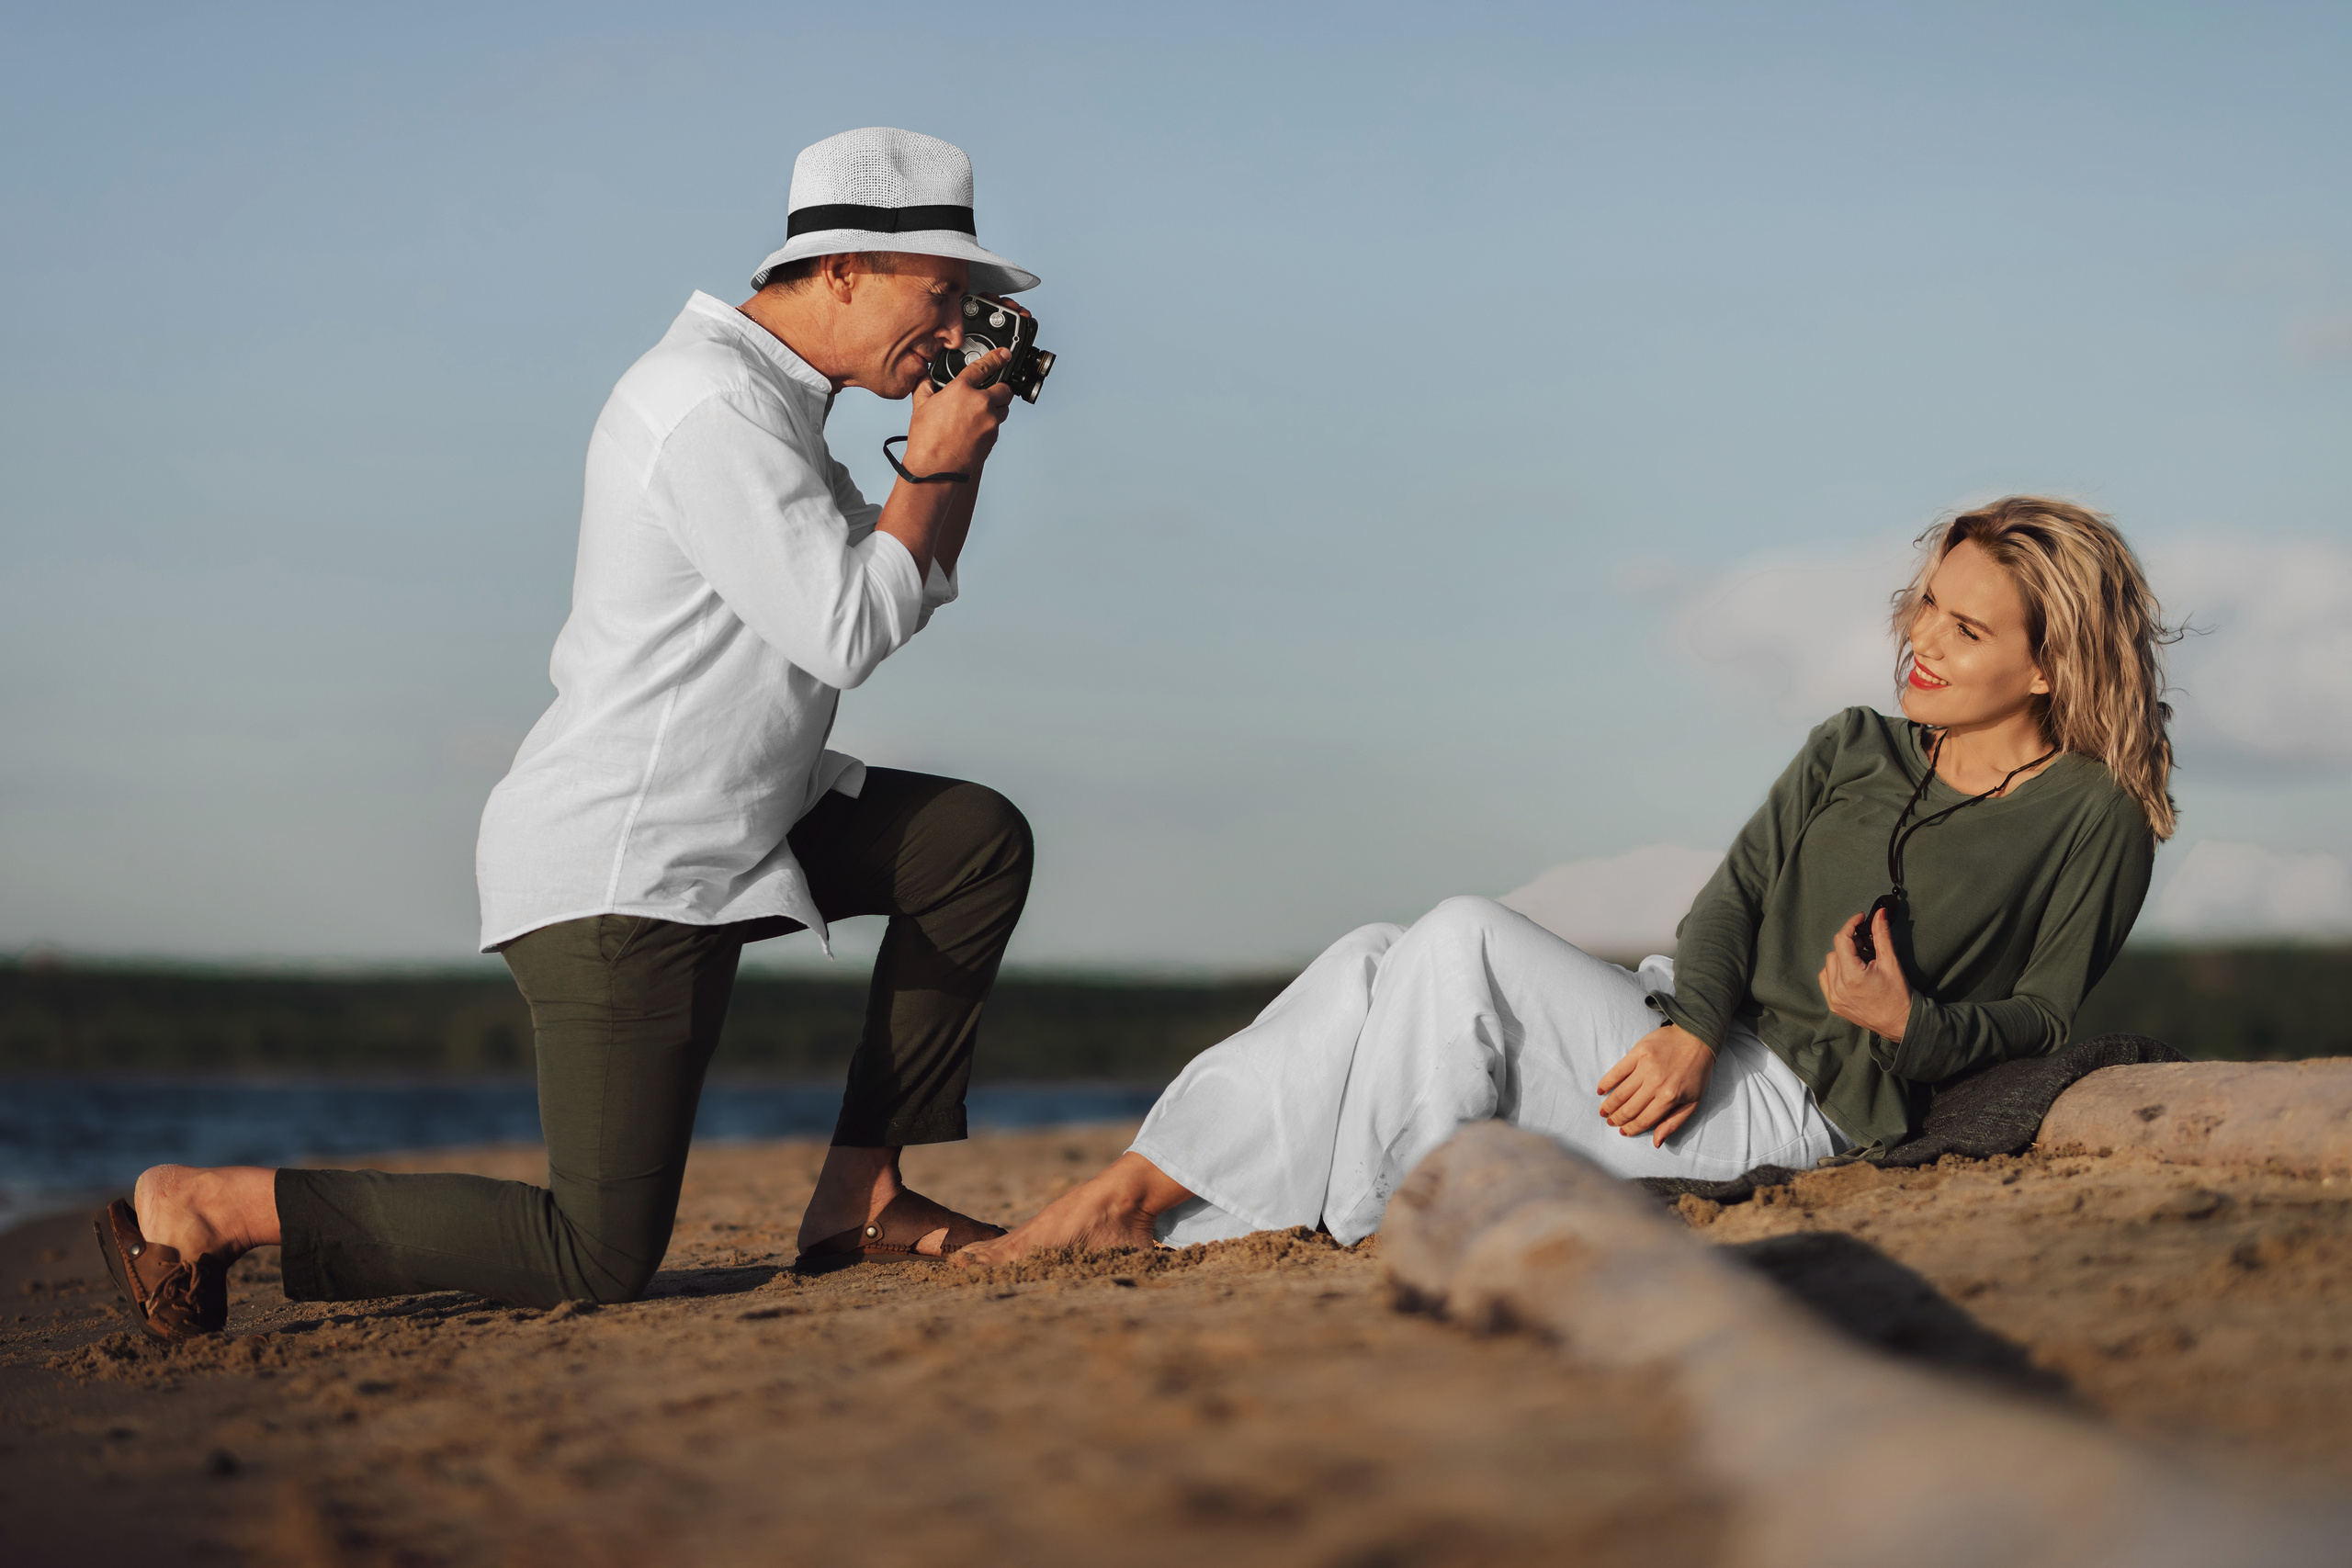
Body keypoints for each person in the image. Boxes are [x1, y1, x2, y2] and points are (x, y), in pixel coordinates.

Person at [98, 127, 1045, 1340]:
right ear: (846, 267)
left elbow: (896, 578)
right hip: (625, 865)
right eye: (945, 291)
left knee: (968, 841)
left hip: (751, 819)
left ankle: (863, 1194)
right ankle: (206, 1206)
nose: (957, 322)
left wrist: (947, 463)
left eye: (973, 304)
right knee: (595, 1253)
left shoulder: (773, 405)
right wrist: (936, 460)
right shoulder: (705, 403)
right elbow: (850, 629)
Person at [961, 496, 2176, 1263]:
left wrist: (1911, 1026)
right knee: (1376, 958)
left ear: (2048, 668)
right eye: (1928, 603)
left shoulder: (2093, 817)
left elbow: (2048, 1020)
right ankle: (1140, 1190)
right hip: (1692, 1036)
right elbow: (1731, 904)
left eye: (1968, 630)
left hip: (1800, 1102)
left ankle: (1382, 1223)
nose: (1923, 639)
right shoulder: (1853, 747)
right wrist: (1696, 1027)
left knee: (1458, 941)